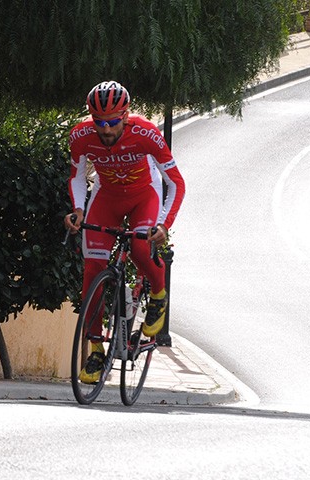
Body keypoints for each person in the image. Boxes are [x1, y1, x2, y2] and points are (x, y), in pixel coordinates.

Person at [64, 80, 185, 384]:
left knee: (143, 248)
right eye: (99, 122)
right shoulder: (81, 136)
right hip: (107, 198)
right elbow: (77, 177)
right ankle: (95, 349)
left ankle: (157, 294)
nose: (105, 129)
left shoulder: (146, 133)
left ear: (126, 115)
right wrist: (78, 210)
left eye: (113, 122)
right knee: (92, 269)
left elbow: (176, 183)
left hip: (145, 194)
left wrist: (163, 225)